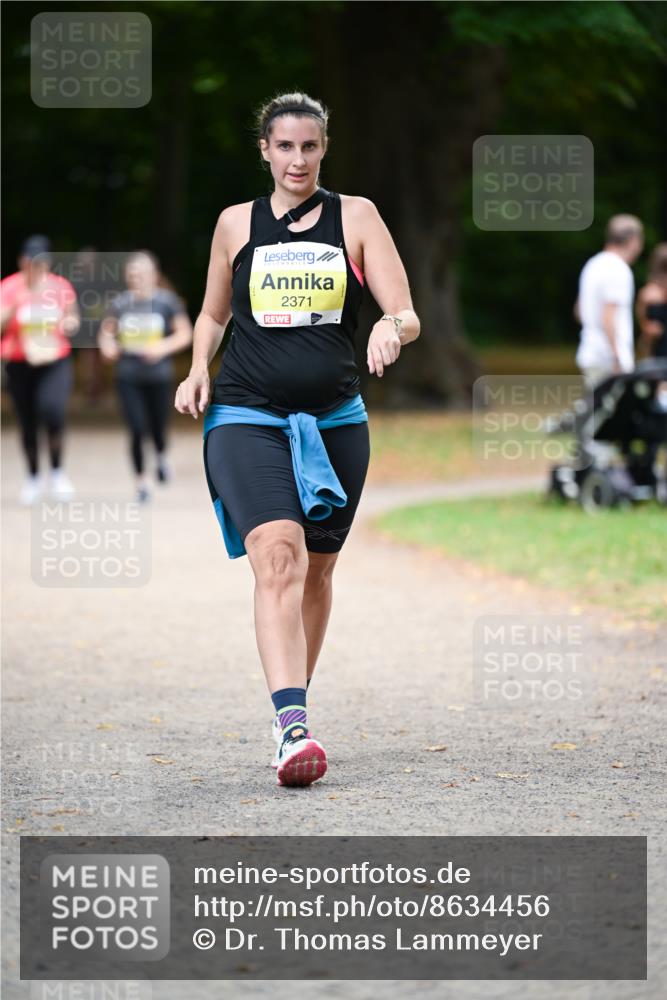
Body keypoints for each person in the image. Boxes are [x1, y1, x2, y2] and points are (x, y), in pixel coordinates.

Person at [175, 92, 420, 789]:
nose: (297, 159)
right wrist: (197, 367)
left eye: (309, 146)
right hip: (245, 414)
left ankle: (293, 705)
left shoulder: (357, 216)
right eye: (284, 146)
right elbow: (213, 315)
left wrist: (388, 328)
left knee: (317, 569)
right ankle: (293, 729)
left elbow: (405, 313)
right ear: (265, 150)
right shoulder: (235, 223)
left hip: (335, 420)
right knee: (278, 556)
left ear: (323, 148)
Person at [98, 251, 193, 502]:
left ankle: (161, 456)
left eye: (141, 274)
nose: (136, 278)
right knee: (137, 429)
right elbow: (106, 334)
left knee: (158, 428)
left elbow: (185, 333)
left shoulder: (166, 302)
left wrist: (162, 347)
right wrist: (108, 346)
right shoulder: (120, 304)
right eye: (132, 274)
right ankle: (141, 482)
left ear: (154, 275)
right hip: (128, 376)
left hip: (158, 376)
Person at [1, 235, 80, 504]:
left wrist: (69, 324)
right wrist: (16, 304)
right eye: (30, 262)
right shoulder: (9, 287)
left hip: (54, 361)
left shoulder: (60, 287)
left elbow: (72, 317)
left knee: (53, 411)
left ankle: (57, 472)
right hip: (19, 362)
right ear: (21, 262)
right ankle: (33, 477)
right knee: (27, 421)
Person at [574, 214, 644, 389]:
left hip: (590, 352)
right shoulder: (618, 269)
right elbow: (608, 316)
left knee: (596, 405)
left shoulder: (592, 264)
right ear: (632, 239)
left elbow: (579, 311)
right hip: (609, 359)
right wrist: (617, 357)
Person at [636, 242, 667, 360]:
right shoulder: (650, 291)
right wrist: (647, 326)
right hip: (655, 344)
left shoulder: (648, 291)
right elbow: (642, 316)